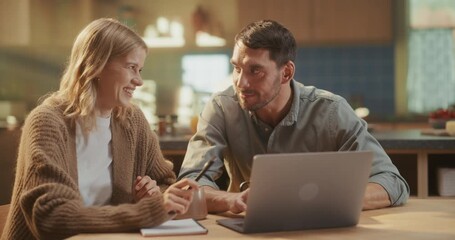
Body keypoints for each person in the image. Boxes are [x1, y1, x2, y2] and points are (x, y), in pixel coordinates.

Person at [178, 19, 410, 214]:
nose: (241, 82)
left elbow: (391, 182)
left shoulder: (331, 111)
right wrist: (231, 200)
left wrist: (322, 203)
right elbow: (189, 185)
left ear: (286, 72)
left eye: (254, 70)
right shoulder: (221, 107)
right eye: (237, 68)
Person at [1, 18, 198, 240]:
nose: (139, 81)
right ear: (97, 65)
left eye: (140, 69)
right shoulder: (47, 122)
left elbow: (165, 185)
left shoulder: (132, 120)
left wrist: (151, 195)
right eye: (132, 68)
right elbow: (53, 218)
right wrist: (146, 211)